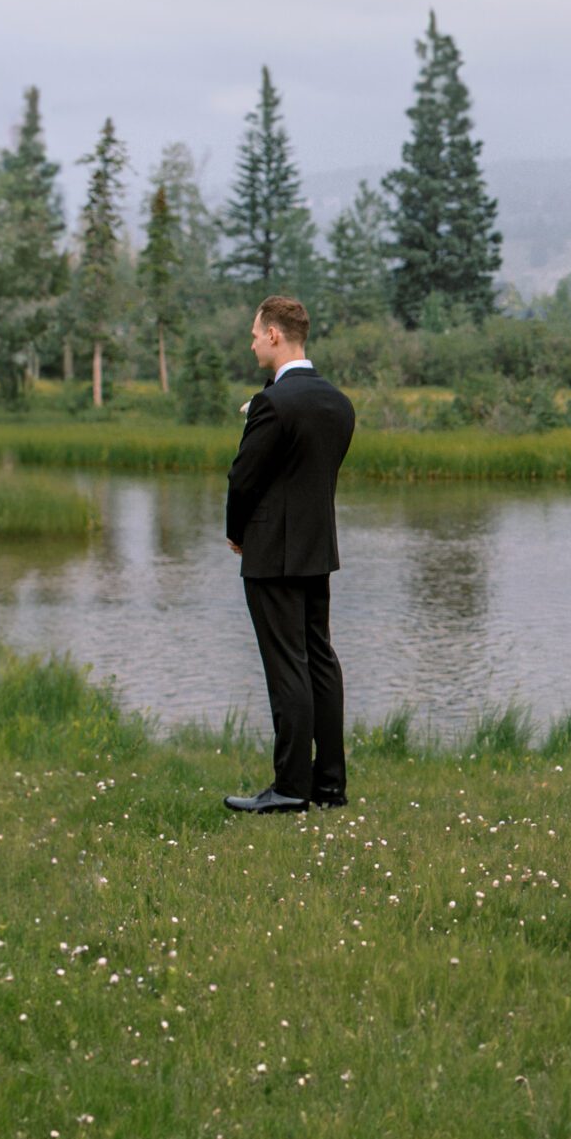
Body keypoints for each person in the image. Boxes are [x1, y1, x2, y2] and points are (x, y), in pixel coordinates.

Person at [222, 296, 357, 814]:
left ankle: (289, 789)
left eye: (256, 333)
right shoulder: (337, 403)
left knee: (287, 668)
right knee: (320, 660)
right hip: (316, 549)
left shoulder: (273, 405)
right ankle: (329, 787)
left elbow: (244, 478)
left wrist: (237, 534)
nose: (252, 341)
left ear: (276, 335)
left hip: (271, 553)